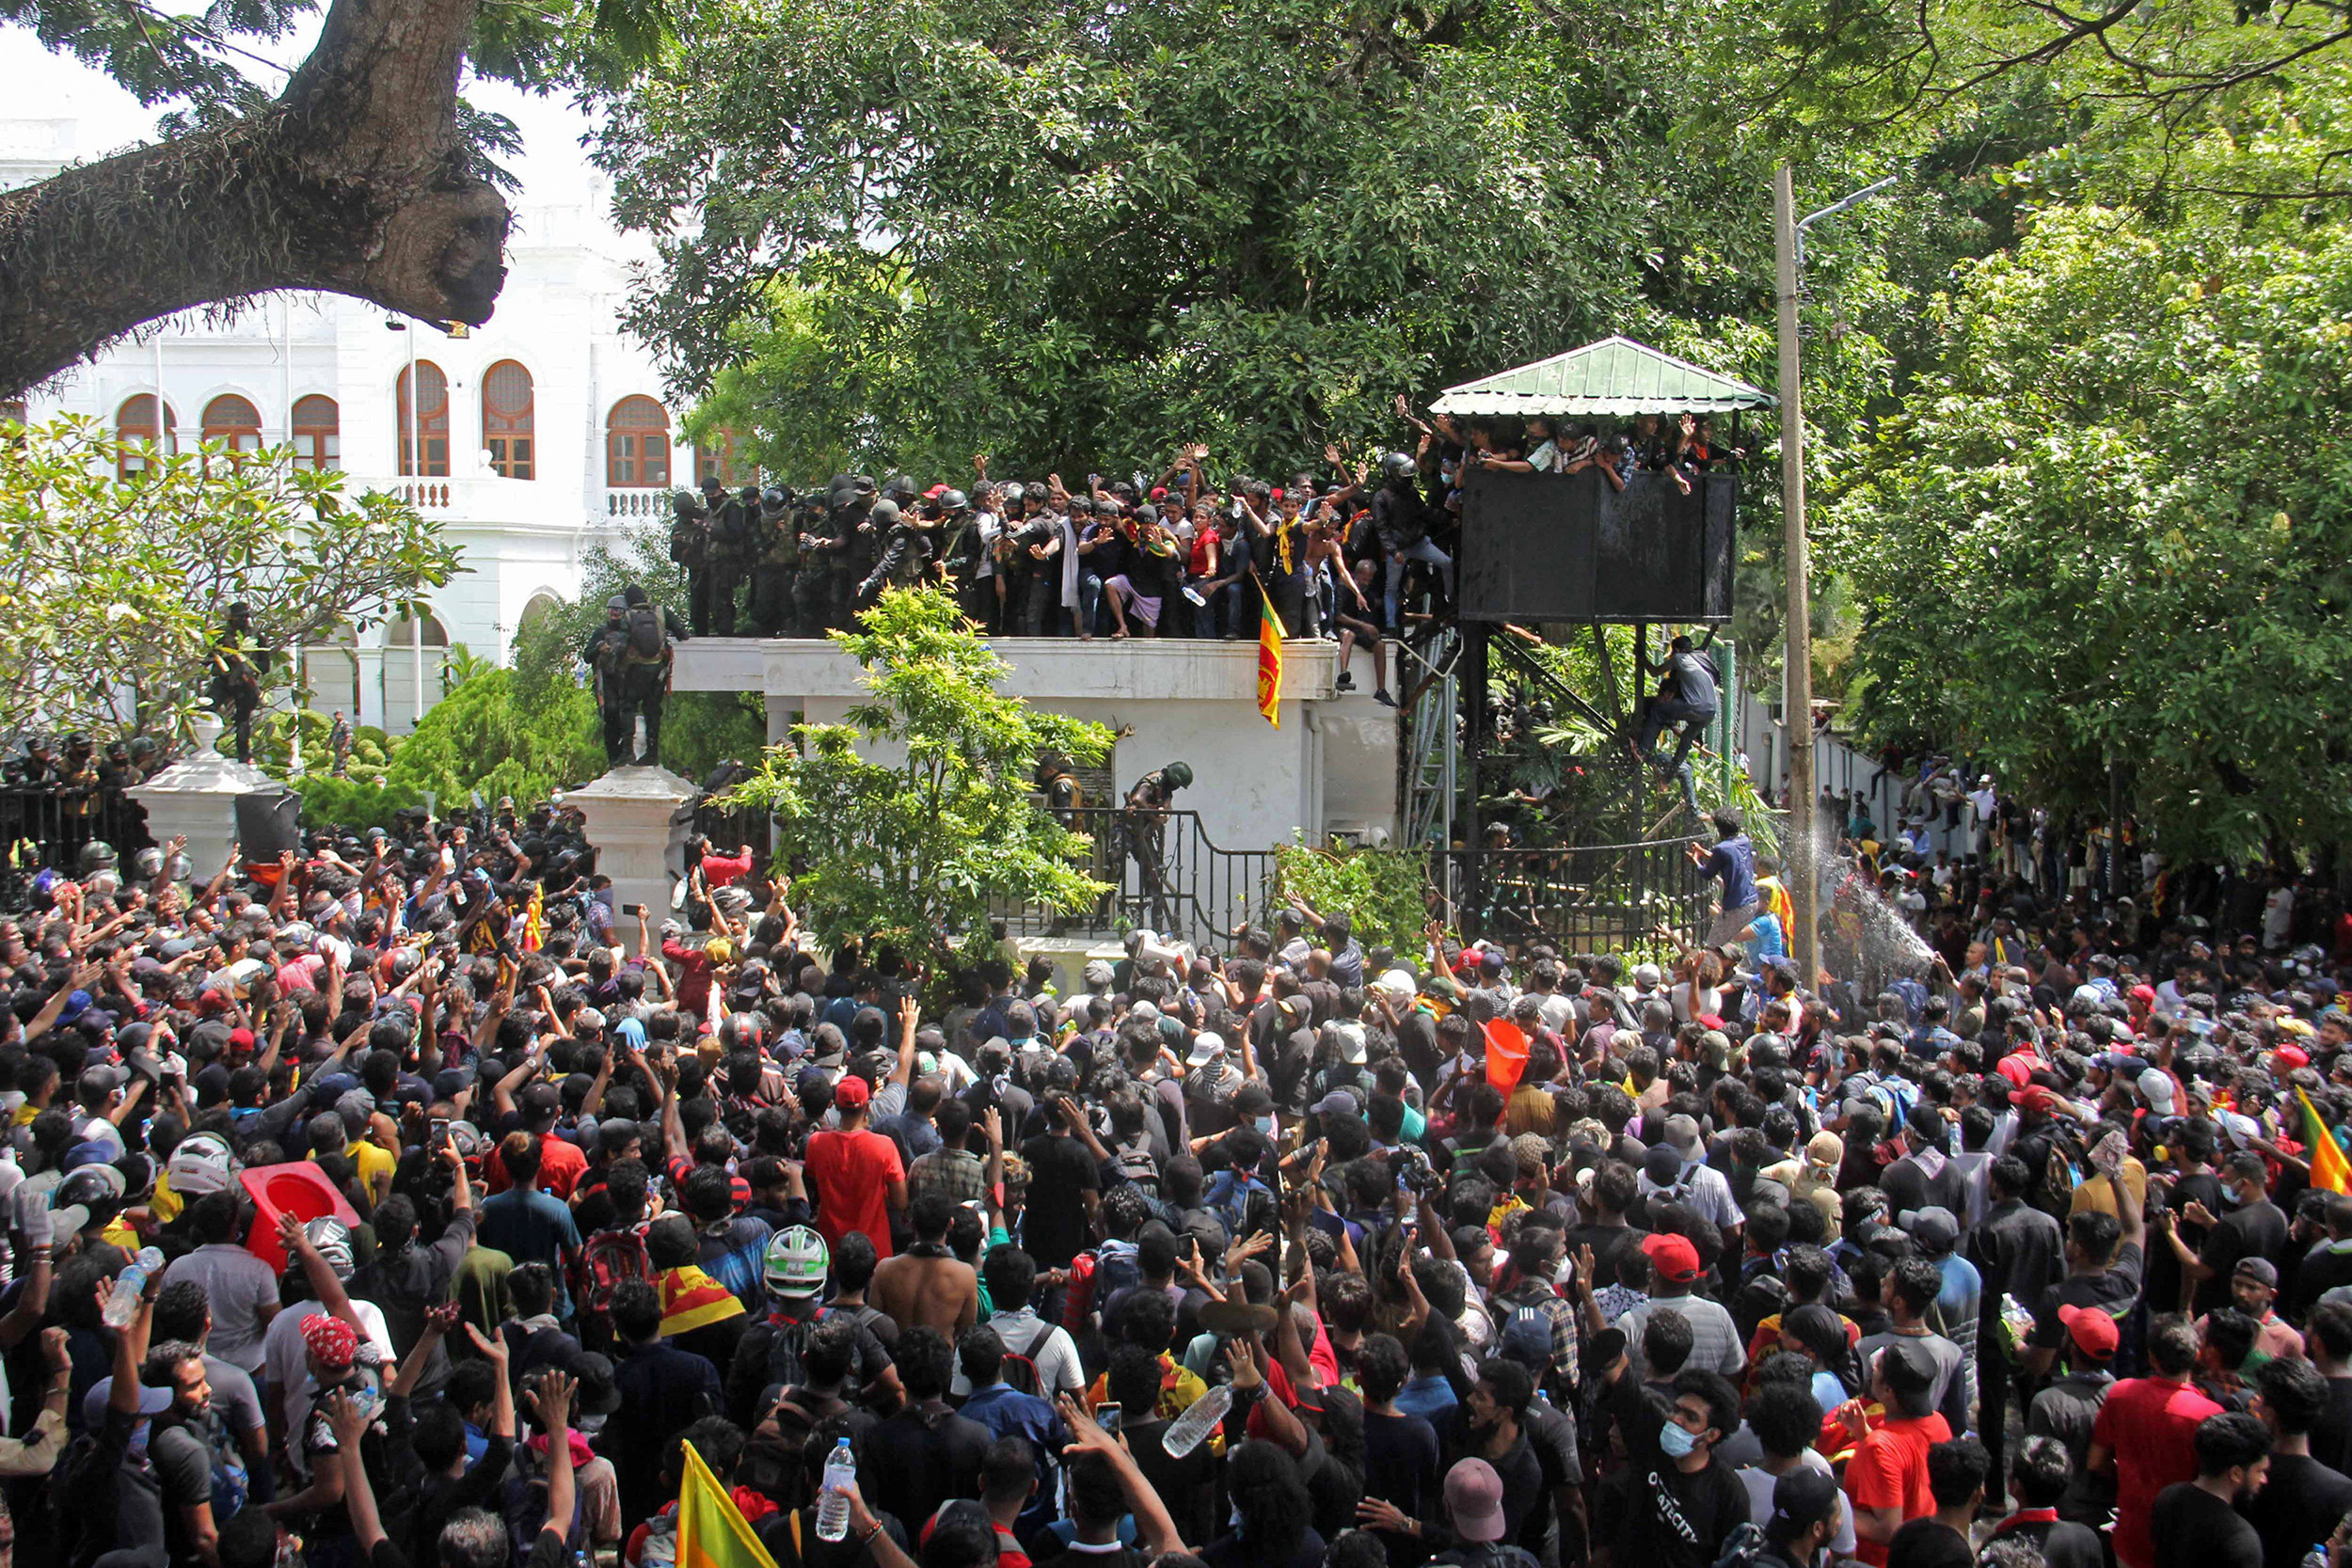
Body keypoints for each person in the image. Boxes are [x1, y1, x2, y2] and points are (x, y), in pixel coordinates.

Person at [803, 1075, 908, 1262]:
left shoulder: (816, 1143)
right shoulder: (884, 1146)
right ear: (867, 1107)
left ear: (835, 1106)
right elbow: (900, 1201)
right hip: (875, 1251)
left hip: (830, 1251)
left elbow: (812, 1179)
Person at [2150, 1412, 2271, 1568]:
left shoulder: (2167, 1497)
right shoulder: (2240, 1540)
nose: (2263, 1479)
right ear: (2235, 1473)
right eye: (2259, 1471)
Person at [206, 600, 271, 764]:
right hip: (224, 680)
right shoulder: (221, 636)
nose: (243, 621)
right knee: (206, 709)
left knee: (243, 720)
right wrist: (224, 657)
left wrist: (249, 669)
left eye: (246, 617)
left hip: (245, 684)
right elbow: (206, 659)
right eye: (239, 617)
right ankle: (204, 747)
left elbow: (265, 666)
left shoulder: (256, 637)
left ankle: (244, 755)